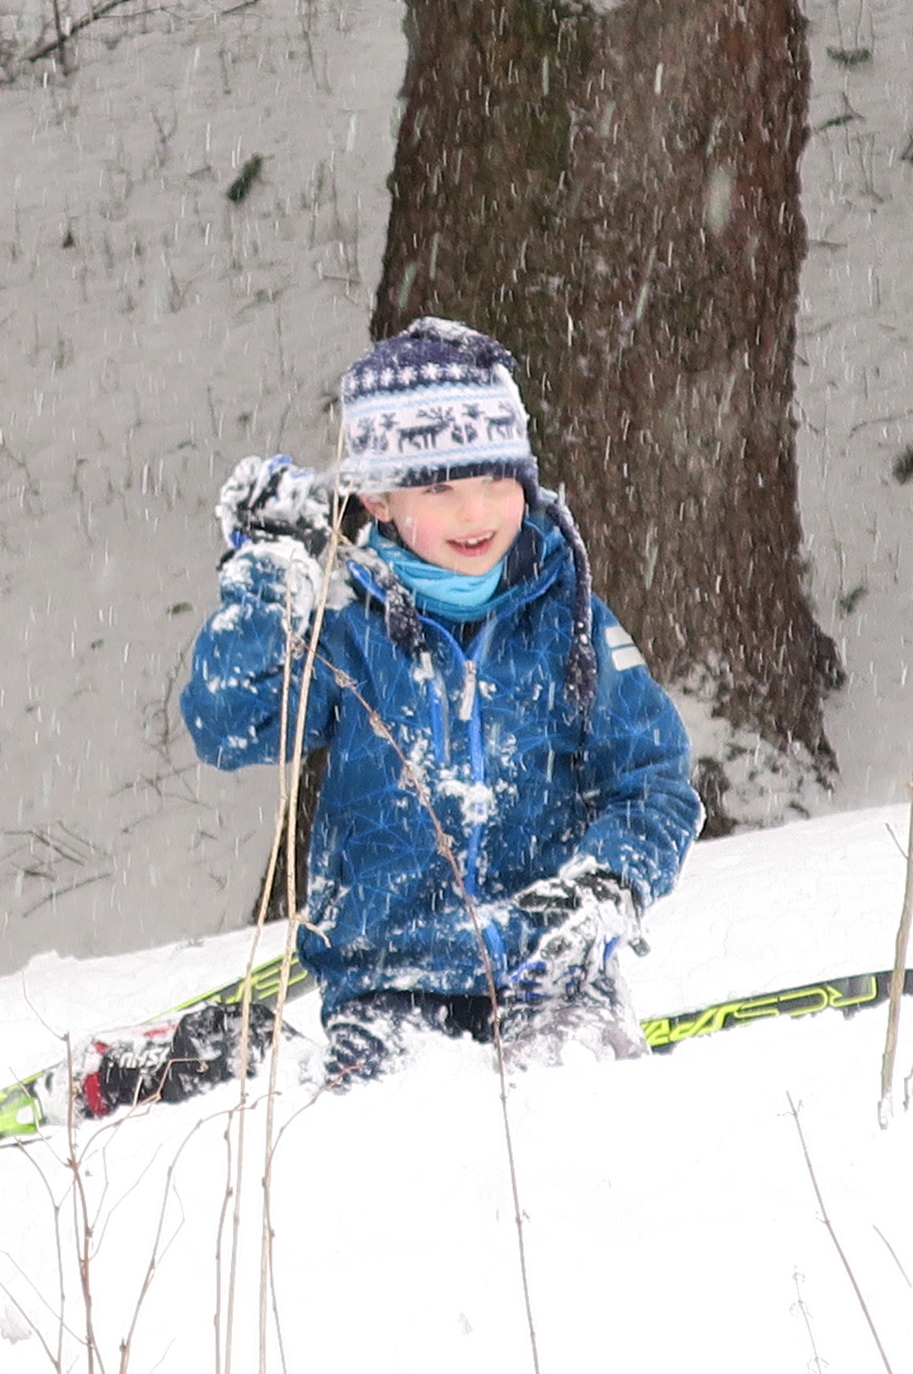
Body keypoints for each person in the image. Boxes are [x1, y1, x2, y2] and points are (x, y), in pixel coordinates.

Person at [179, 318, 703, 1079]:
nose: (475, 512)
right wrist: (268, 573)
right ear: (378, 499)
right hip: (390, 974)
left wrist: (604, 884)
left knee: (569, 1096)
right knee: (394, 1119)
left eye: (496, 481)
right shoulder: (344, 629)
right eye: (439, 487)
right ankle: (257, 1066)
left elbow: (654, 781)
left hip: (552, 962)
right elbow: (230, 724)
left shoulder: (568, 620)